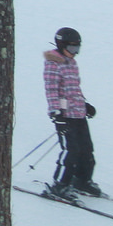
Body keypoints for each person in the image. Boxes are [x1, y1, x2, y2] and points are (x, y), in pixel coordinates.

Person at [44, 26, 101, 198]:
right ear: (61, 45)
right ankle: (59, 185)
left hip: (78, 114)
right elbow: (51, 90)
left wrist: (85, 104)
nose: (74, 52)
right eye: (71, 48)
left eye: (77, 48)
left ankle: (82, 181)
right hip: (65, 116)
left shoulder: (72, 63)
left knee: (86, 149)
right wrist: (56, 114)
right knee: (71, 150)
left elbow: (73, 88)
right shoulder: (53, 63)